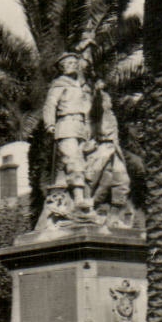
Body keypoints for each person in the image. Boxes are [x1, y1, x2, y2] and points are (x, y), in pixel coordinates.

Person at [42, 50, 94, 210]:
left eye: (74, 63)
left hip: (81, 126)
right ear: (62, 67)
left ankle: (84, 197)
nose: (73, 65)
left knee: (86, 162)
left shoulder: (82, 86)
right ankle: (78, 199)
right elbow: (50, 104)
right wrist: (49, 124)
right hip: (66, 125)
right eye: (68, 63)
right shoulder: (59, 84)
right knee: (73, 160)